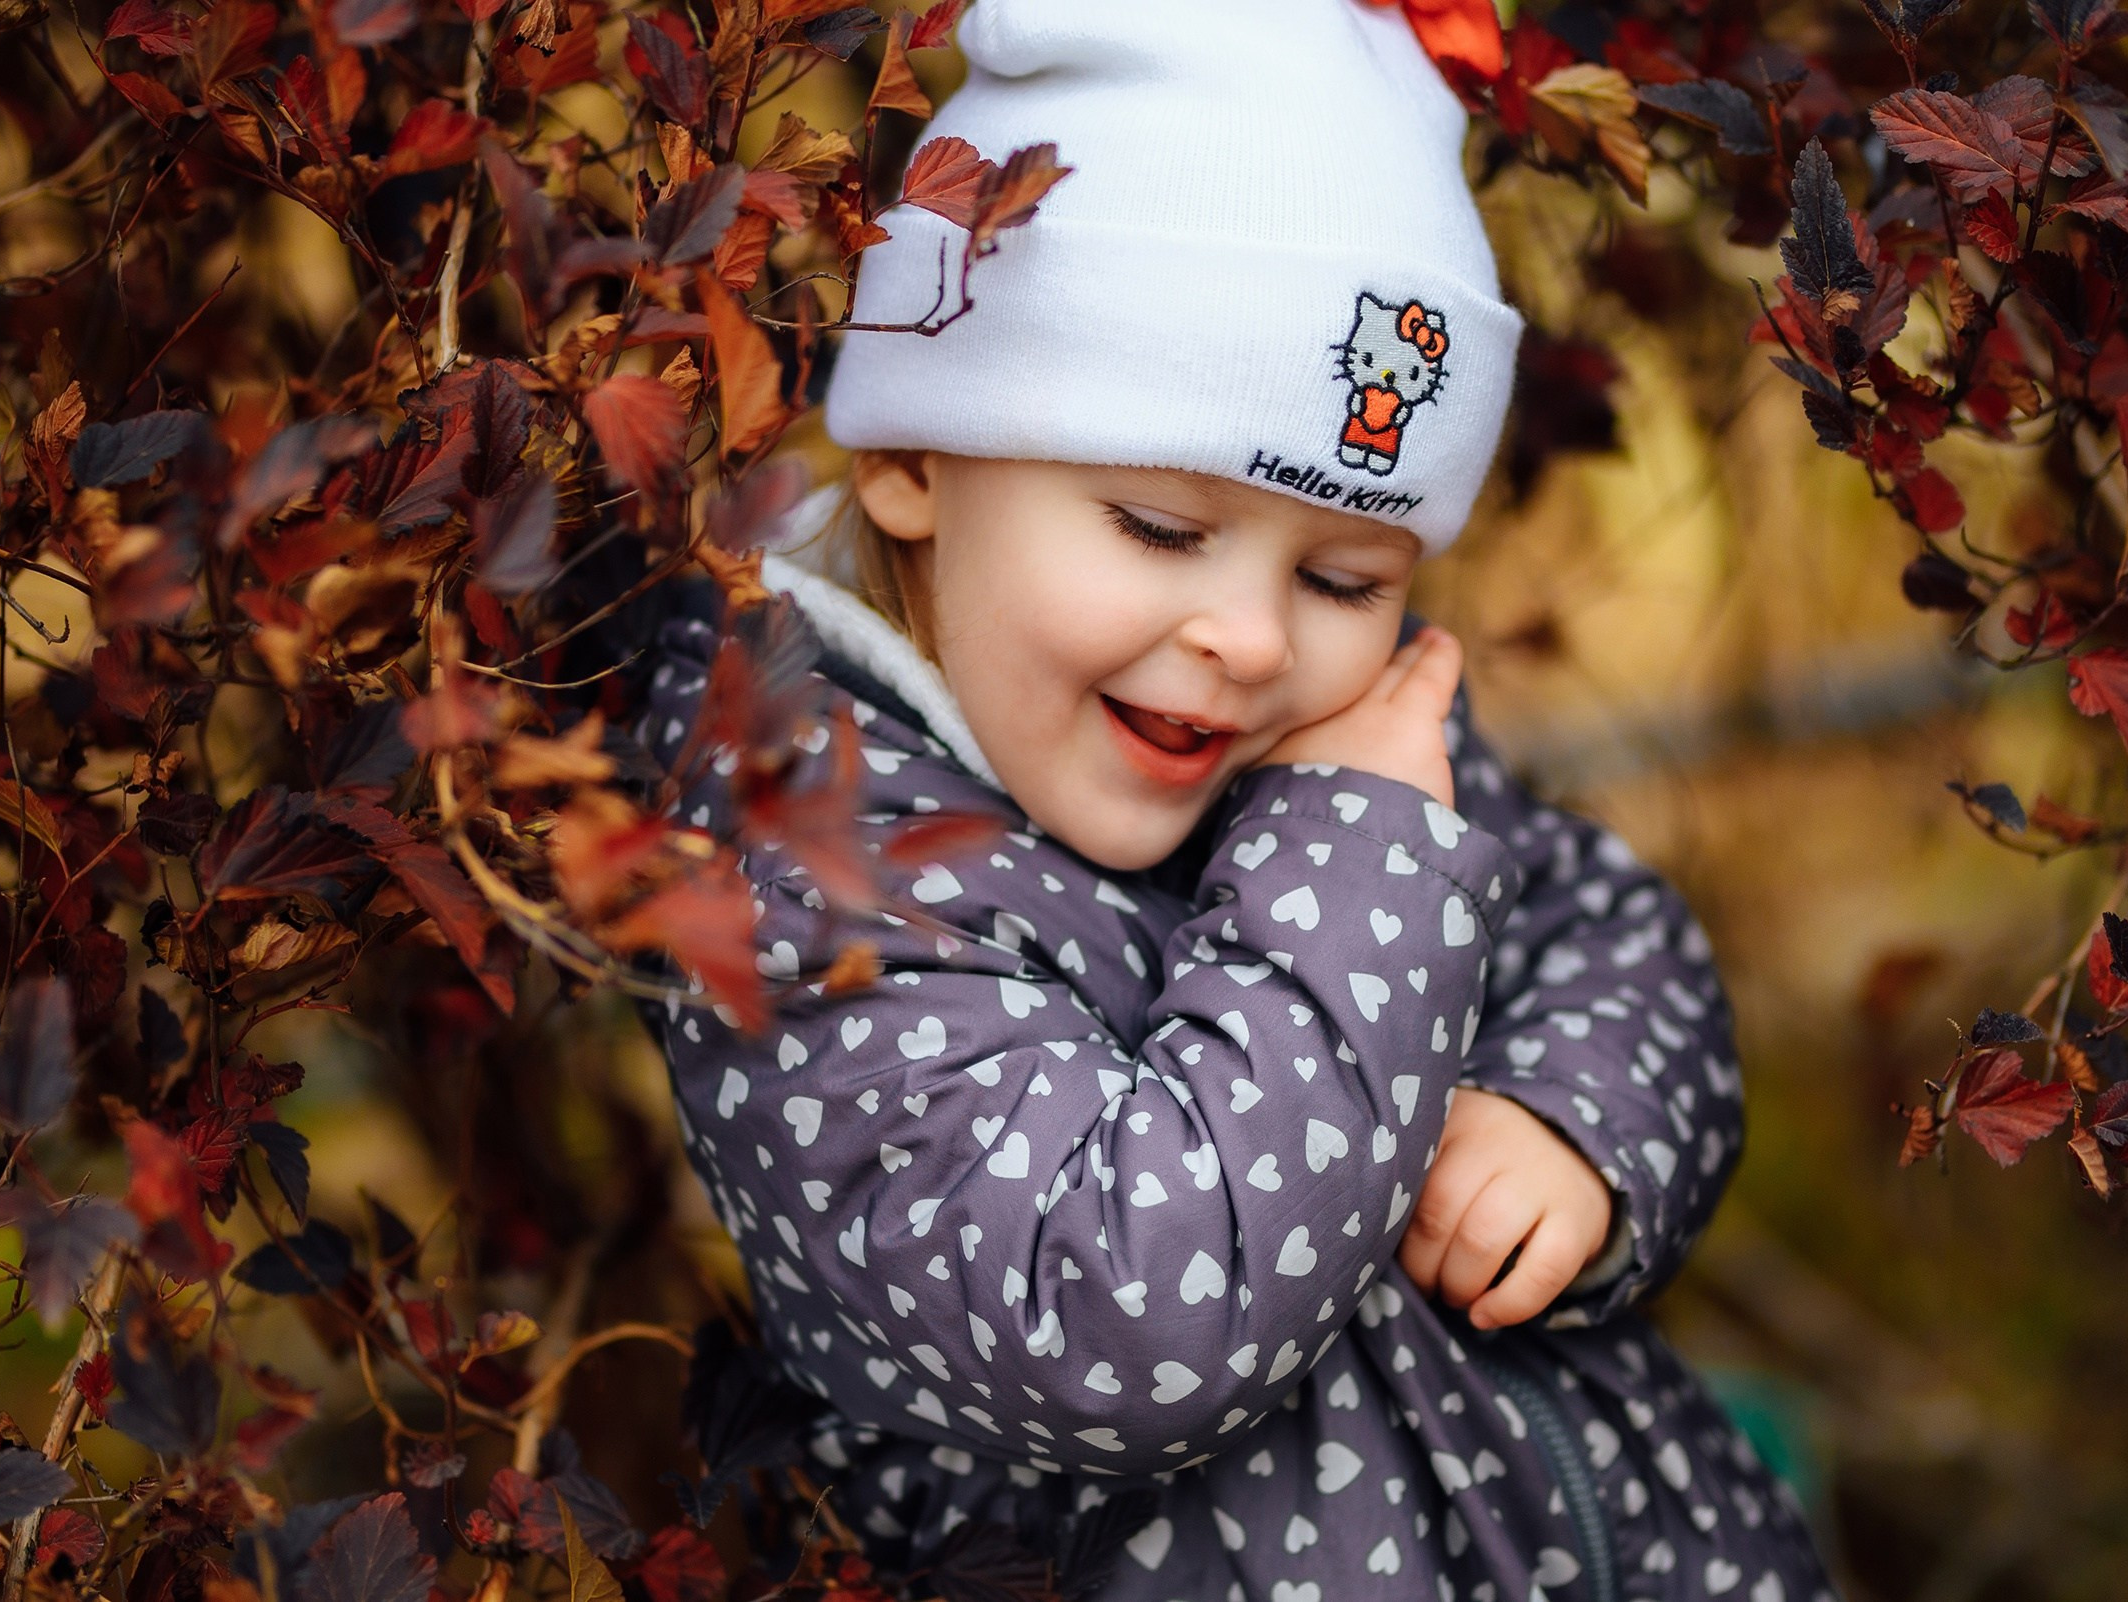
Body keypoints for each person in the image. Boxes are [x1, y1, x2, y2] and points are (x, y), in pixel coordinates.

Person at [635, 1, 1839, 1596]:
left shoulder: (1341, 740)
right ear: (919, 459)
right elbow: (1120, 1324)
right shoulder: (805, 873)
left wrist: (1576, 1129)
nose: (1255, 639)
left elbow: (1611, 933)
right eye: (1156, 524)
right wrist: (1349, 870)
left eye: (1344, 572)